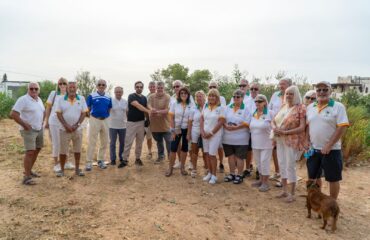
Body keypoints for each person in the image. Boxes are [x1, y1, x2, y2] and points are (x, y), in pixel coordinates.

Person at [306, 81, 349, 200]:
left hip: (331, 150)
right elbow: (308, 126)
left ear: (330, 91)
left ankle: (332, 203)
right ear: (316, 92)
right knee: (313, 177)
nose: (321, 92)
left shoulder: (338, 106)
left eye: (325, 89)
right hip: (313, 149)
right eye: (319, 90)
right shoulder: (310, 107)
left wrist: (329, 145)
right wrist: (306, 140)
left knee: (333, 179)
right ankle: (318, 199)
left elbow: (342, 126)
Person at [272, 85, 307, 203]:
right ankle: (284, 190)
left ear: (296, 94)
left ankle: (292, 193)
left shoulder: (300, 108)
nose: (288, 96)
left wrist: (285, 132)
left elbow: (302, 127)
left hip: (291, 141)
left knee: (290, 166)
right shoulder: (283, 106)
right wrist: (274, 128)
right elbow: (274, 120)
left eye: (291, 93)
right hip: (280, 140)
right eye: (287, 93)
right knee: (282, 164)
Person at [10, 82, 45, 185]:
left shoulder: (39, 100)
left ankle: (29, 171)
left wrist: (42, 121)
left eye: (36, 89)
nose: (34, 90)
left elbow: (42, 111)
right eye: (31, 89)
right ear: (28, 90)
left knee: (37, 149)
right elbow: (13, 114)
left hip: (39, 128)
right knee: (30, 152)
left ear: (39, 90)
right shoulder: (23, 99)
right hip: (28, 130)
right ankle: (26, 177)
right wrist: (24, 124)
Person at [55, 82, 88, 177]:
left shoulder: (81, 98)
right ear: (67, 88)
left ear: (76, 88)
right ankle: (61, 170)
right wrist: (66, 125)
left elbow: (84, 113)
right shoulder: (61, 99)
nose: (72, 89)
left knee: (77, 150)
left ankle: (77, 169)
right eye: (70, 87)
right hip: (64, 130)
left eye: (74, 87)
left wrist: (76, 125)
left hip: (77, 129)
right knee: (63, 151)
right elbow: (58, 113)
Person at [44, 77, 74, 172]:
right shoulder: (54, 94)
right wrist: (47, 121)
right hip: (54, 122)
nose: (62, 85)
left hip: (65, 123)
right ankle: (56, 164)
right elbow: (48, 108)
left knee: (66, 142)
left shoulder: (70, 95)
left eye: (64, 83)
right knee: (56, 143)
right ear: (58, 85)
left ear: (67, 85)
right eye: (60, 83)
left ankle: (66, 162)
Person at [222, 90, 251, 184]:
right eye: (234, 96)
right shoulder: (227, 108)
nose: (235, 98)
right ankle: (231, 174)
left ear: (242, 98)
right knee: (230, 157)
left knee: (239, 157)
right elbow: (222, 119)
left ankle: (239, 175)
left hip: (241, 139)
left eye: (238, 97)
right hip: (227, 137)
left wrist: (236, 127)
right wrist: (226, 126)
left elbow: (247, 123)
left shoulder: (246, 109)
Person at [120, 81, 151, 168]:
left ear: (143, 88)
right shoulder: (131, 96)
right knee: (128, 142)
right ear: (135, 87)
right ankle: (125, 159)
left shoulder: (144, 98)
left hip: (141, 123)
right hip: (131, 123)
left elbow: (146, 107)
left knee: (139, 142)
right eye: (137, 87)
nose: (139, 88)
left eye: (141, 87)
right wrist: (149, 111)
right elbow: (138, 106)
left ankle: (137, 158)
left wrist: (148, 119)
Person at [268, 78, 292, 184]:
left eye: (283, 84)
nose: (280, 86)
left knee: (286, 153)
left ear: (289, 85)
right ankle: (278, 172)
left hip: (287, 128)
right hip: (275, 126)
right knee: (275, 150)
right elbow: (269, 108)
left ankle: (285, 177)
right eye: (280, 84)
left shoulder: (292, 95)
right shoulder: (275, 95)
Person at [86, 79, 112, 171]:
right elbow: (87, 108)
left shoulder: (108, 96)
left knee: (104, 141)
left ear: (105, 86)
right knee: (92, 141)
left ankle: (100, 160)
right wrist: (91, 117)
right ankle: (88, 162)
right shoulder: (92, 96)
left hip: (105, 120)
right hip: (94, 119)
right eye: (99, 84)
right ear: (97, 86)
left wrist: (106, 116)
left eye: (103, 85)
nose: (101, 86)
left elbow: (109, 108)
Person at [249, 94, 274, 192]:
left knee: (264, 162)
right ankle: (260, 180)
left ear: (265, 102)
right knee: (258, 162)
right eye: (256, 101)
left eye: (260, 101)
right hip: (255, 142)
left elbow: (275, 127)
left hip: (267, 143)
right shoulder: (253, 113)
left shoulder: (270, 113)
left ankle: (266, 183)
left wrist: (275, 139)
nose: (257, 103)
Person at [166, 87, 192, 176]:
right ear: (179, 95)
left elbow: (190, 119)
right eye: (182, 93)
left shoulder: (191, 104)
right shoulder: (174, 103)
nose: (183, 95)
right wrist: (172, 131)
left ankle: (182, 168)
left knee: (184, 149)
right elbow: (171, 118)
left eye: (185, 93)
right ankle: (170, 168)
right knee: (173, 148)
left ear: (188, 95)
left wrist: (189, 132)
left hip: (186, 129)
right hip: (176, 128)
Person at [201, 89, 225, 184]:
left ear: (217, 97)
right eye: (210, 95)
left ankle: (214, 176)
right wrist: (202, 131)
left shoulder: (220, 108)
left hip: (214, 135)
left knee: (212, 155)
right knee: (206, 154)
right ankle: (210, 173)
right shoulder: (205, 106)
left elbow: (221, 122)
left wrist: (210, 133)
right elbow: (202, 119)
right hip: (204, 135)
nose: (211, 97)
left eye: (213, 96)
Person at [170, 80, 195, 169]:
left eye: (178, 86)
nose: (176, 88)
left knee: (188, 145)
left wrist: (189, 130)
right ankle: (180, 162)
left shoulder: (190, 97)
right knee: (176, 146)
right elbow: (171, 116)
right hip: (176, 127)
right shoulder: (172, 98)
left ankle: (191, 162)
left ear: (181, 86)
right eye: (175, 87)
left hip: (187, 126)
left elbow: (192, 112)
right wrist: (172, 129)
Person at [147, 81, 171, 163]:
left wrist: (156, 112)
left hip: (166, 125)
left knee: (168, 141)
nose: (159, 89)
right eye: (158, 88)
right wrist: (151, 109)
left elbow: (167, 110)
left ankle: (171, 158)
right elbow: (148, 105)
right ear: (156, 88)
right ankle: (161, 156)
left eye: (161, 88)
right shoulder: (151, 96)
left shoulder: (167, 97)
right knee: (159, 142)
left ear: (164, 88)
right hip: (154, 125)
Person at [208, 81, 226, 173]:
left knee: (219, 146)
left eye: (214, 86)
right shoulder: (208, 97)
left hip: (218, 127)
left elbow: (222, 112)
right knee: (209, 149)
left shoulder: (221, 98)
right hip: (209, 126)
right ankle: (210, 167)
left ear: (217, 87)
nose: (212, 88)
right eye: (210, 87)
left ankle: (221, 163)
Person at [188, 90, 206, 178]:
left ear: (204, 97)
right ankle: (194, 169)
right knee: (194, 151)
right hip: (195, 131)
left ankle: (207, 168)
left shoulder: (208, 107)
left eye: (200, 96)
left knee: (205, 151)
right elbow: (190, 122)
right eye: (197, 97)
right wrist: (188, 134)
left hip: (205, 131)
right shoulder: (193, 109)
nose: (199, 98)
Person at [108, 86, 128, 166]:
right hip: (112, 125)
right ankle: (113, 159)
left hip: (123, 125)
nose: (118, 93)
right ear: (114, 92)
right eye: (117, 92)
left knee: (122, 143)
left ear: (122, 93)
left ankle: (121, 157)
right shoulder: (111, 101)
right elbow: (107, 111)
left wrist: (128, 122)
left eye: (120, 92)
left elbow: (127, 112)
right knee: (112, 143)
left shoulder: (125, 101)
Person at [145, 81, 156, 158]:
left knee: (159, 137)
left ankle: (161, 152)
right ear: (148, 87)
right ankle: (149, 151)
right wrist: (147, 119)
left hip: (159, 121)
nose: (152, 88)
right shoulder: (146, 97)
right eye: (150, 86)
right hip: (149, 120)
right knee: (149, 137)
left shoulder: (160, 95)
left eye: (153, 86)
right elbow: (145, 108)